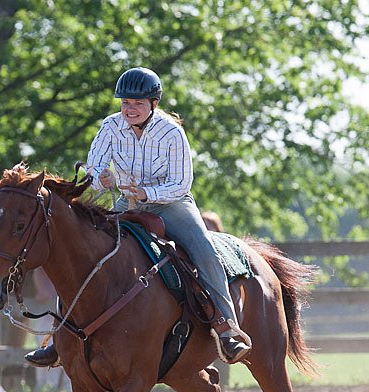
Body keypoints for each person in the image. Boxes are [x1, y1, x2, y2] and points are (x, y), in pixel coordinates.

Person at [26, 67, 252, 367]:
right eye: (125, 103)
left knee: (204, 250)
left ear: (153, 104)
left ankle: (227, 330)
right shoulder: (110, 127)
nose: (130, 109)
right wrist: (100, 181)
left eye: (138, 103)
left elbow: (181, 184)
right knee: (84, 255)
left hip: (172, 205)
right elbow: (93, 169)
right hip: (126, 204)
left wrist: (145, 193)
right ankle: (59, 338)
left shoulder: (172, 133)